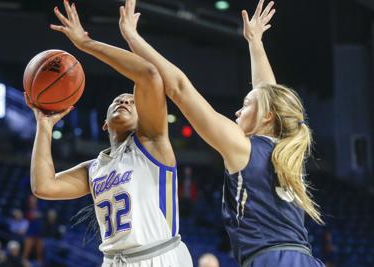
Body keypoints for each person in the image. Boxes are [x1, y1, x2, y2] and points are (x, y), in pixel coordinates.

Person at [118, 0, 326, 266]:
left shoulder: (244, 147)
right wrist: (255, 43)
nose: (237, 112)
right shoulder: (288, 150)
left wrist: (133, 38)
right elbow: (267, 95)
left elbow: (180, 88)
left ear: (267, 116)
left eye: (245, 105)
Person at [26, 1, 192, 266]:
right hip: (113, 261)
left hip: (158, 257)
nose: (125, 102)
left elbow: (149, 74)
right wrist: (44, 126)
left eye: (132, 101)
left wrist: (85, 44)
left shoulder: (151, 144)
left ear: (144, 119)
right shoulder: (94, 169)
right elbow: (44, 186)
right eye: (118, 100)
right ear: (104, 124)